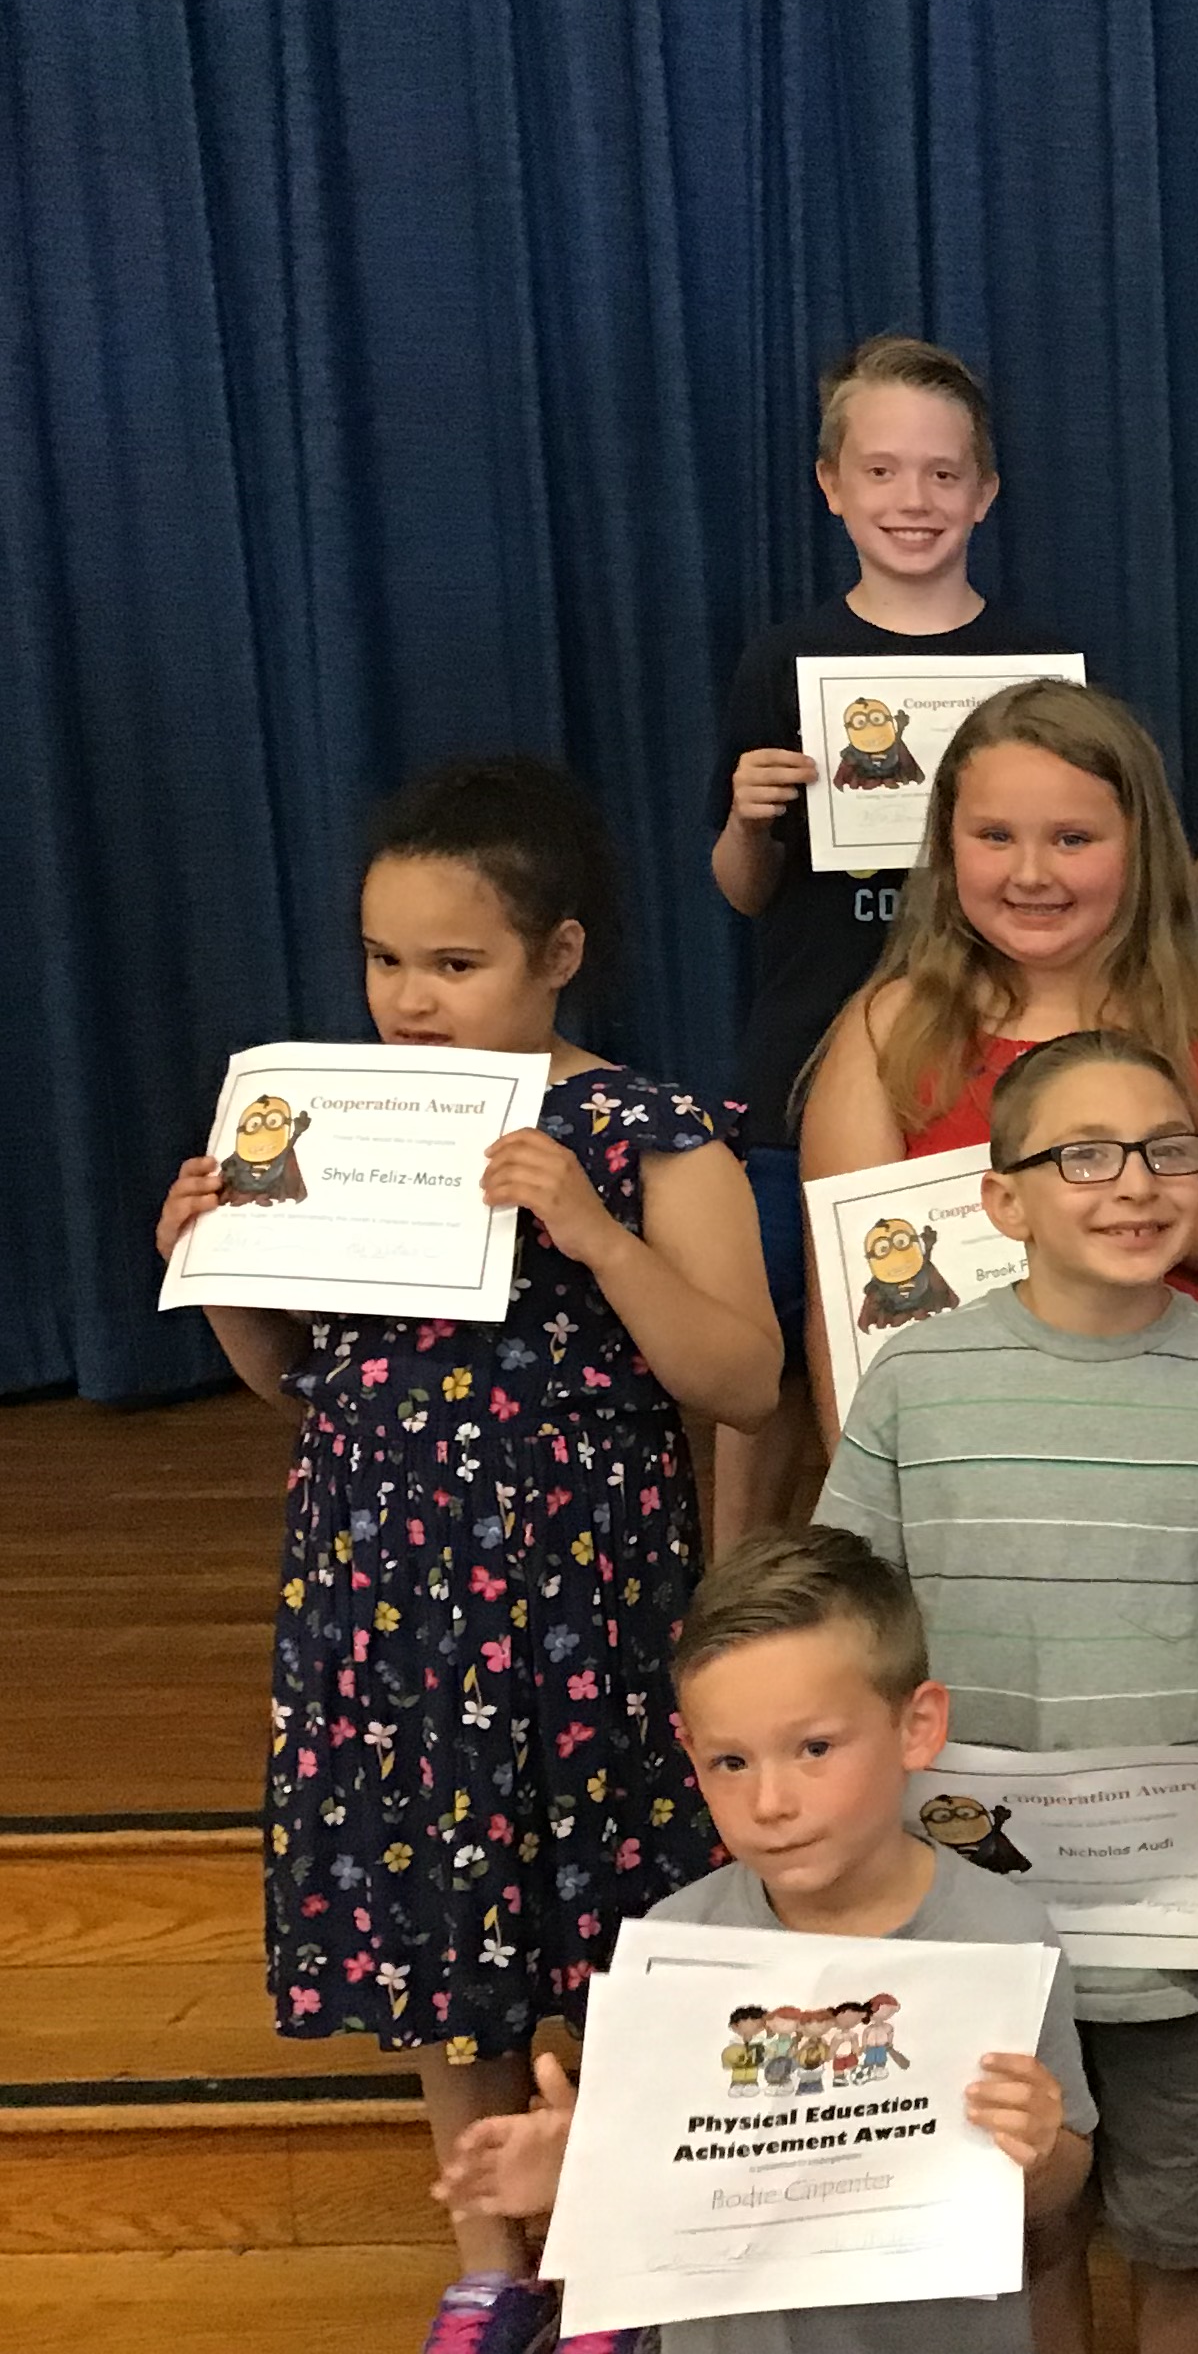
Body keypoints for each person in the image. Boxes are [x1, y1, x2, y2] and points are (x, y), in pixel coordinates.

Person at [153, 757, 782, 2354]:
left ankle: (623, 2258)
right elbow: (292, 1375)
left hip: (582, 1602)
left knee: (620, 1927)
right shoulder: (349, 1118)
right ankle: (493, 2262)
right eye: (384, 961)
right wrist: (217, 1258)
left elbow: (742, 1376)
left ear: (559, 954)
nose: (410, 1001)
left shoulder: (647, 1132)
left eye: (456, 963)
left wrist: (594, 1227)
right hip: (382, 1597)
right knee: (441, 1926)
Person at [816, 1026, 1198, 2354]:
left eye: (1170, 1149)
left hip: (1193, 1911)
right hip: (969, 1909)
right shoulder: (915, 1381)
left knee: (1186, 2241)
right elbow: (854, 1610)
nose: (1135, 1182)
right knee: (1021, 2227)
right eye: (1085, 1155)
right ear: (1001, 1197)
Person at [430, 1525, 1096, 2354]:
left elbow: (1060, 2188)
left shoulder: (1005, 1935)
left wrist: (1037, 2153)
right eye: (730, 1763)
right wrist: (574, 2173)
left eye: (814, 1748)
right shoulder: (672, 1946)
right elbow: (653, 2191)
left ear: (917, 1726)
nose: (770, 1800)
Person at [703, 335, 1079, 1545]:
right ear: (831, 487)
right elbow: (745, 893)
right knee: (768, 1349)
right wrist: (749, 819)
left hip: (987, 1054)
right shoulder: (785, 660)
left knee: (937, 1325)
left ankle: (924, 1569)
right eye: (881, 472)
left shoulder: (1033, 675)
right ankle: (742, 1588)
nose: (911, 501)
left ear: (985, 492)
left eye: (940, 474)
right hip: (807, 1045)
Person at [797, 676, 1198, 1436]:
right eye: (995, 837)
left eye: (1072, 839)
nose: (1031, 874)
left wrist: (1154, 1214)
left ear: (1141, 842)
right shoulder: (888, 1030)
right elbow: (843, 1310)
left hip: (1190, 1441)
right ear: (946, 844)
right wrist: (867, 1516)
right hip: (973, 1448)